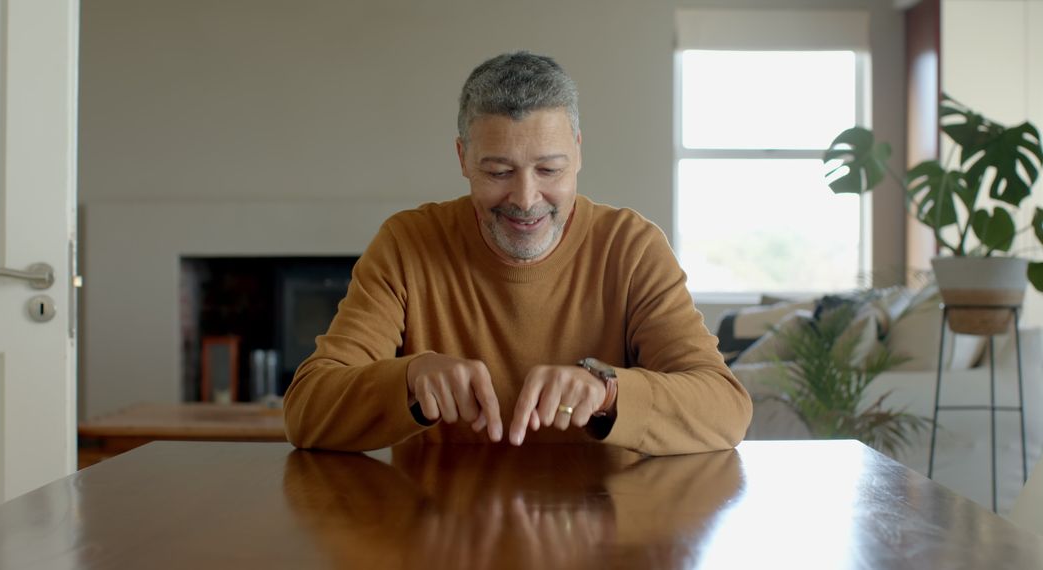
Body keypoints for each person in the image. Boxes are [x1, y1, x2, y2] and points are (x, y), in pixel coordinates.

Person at [283, 51, 752, 455]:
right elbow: (306, 410)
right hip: (439, 533)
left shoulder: (631, 248)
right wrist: (410, 380)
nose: (526, 199)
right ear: (463, 158)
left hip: (604, 530)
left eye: (549, 169)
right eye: (498, 171)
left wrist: (606, 393)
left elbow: (725, 409)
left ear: (579, 154)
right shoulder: (407, 244)